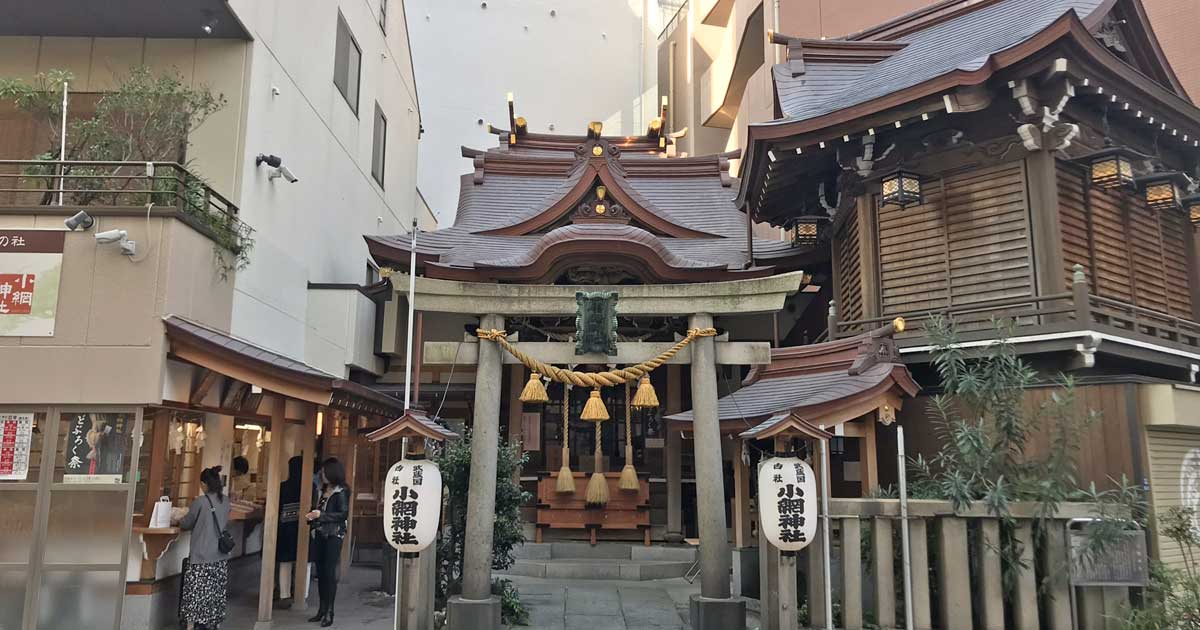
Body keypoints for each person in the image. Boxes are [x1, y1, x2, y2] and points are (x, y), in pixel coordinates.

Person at [177, 466, 232, 630]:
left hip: (201, 555)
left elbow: (187, 523)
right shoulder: (226, 501)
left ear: (204, 484)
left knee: (195, 593)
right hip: (220, 555)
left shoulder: (200, 502)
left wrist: (178, 518)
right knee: (215, 591)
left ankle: (191, 625)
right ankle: (213, 623)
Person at [307, 458, 349, 626]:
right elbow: (318, 509)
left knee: (329, 572)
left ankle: (330, 611)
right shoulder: (322, 490)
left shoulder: (342, 491)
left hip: (334, 535)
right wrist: (312, 516)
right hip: (320, 533)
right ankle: (321, 609)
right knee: (321, 572)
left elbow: (343, 514)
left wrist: (321, 516)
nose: (321, 475)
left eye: (324, 472)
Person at [276, 455, 316, 608]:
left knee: (285, 563)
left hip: (286, 527)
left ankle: (284, 594)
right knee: (305, 563)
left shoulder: (283, 486)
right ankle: (302, 594)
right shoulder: (310, 486)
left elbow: (278, 507)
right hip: (304, 525)